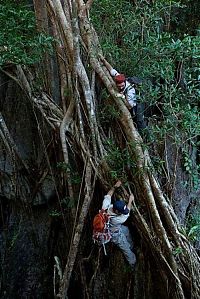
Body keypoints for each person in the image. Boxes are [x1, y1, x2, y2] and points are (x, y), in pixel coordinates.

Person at [101, 56, 147, 134]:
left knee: (139, 122)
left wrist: (122, 97)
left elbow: (129, 106)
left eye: (122, 86)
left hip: (136, 105)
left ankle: (144, 135)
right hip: (130, 100)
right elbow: (111, 69)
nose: (121, 87)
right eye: (119, 86)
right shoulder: (118, 77)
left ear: (124, 82)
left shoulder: (130, 91)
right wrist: (103, 60)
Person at [102, 180, 136, 269]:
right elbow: (128, 211)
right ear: (117, 211)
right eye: (121, 212)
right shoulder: (117, 219)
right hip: (114, 234)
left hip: (115, 227)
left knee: (126, 230)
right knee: (126, 249)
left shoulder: (105, 207)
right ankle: (133, 263)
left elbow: (108, 195)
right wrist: (130, 201)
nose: (122, 213)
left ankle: (132, 246)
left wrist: (115, 186)